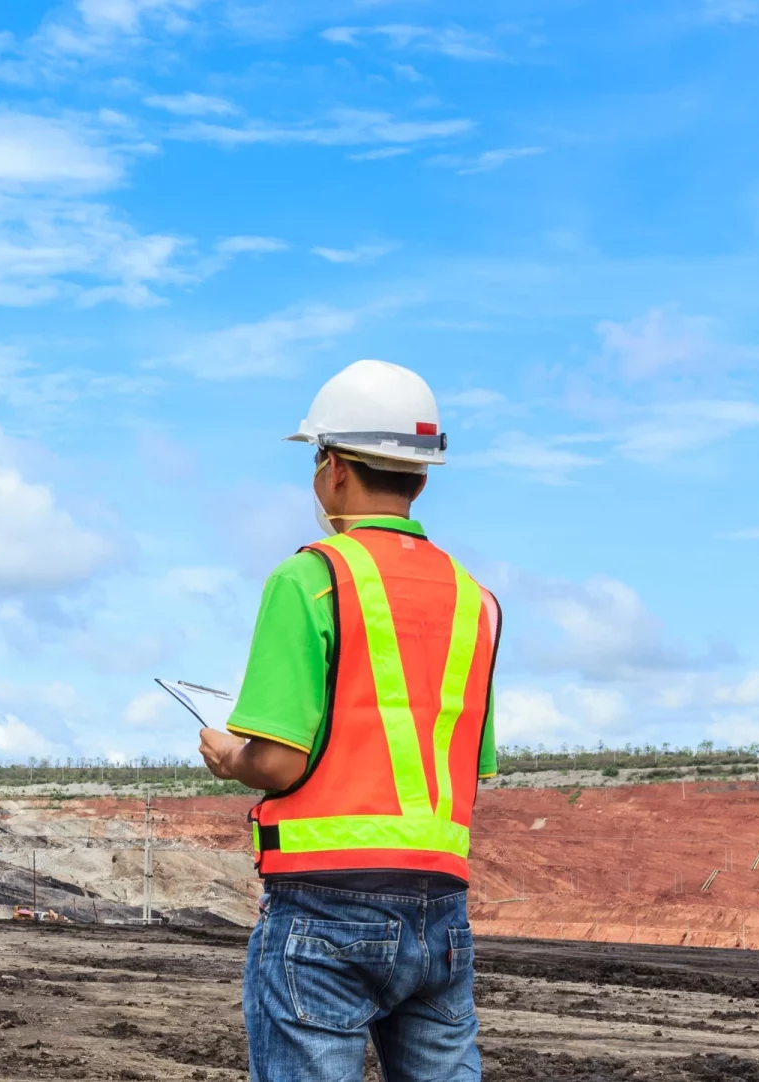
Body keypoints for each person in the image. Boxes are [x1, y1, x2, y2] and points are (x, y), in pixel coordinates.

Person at [197, 359, 500, 1082]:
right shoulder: (475, 600)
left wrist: (230, 756)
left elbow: (278, 761)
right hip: (441, 914)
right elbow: (467, 765)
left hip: (323, 911)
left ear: (332, 468)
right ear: (421, 476)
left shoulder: (310, 577)